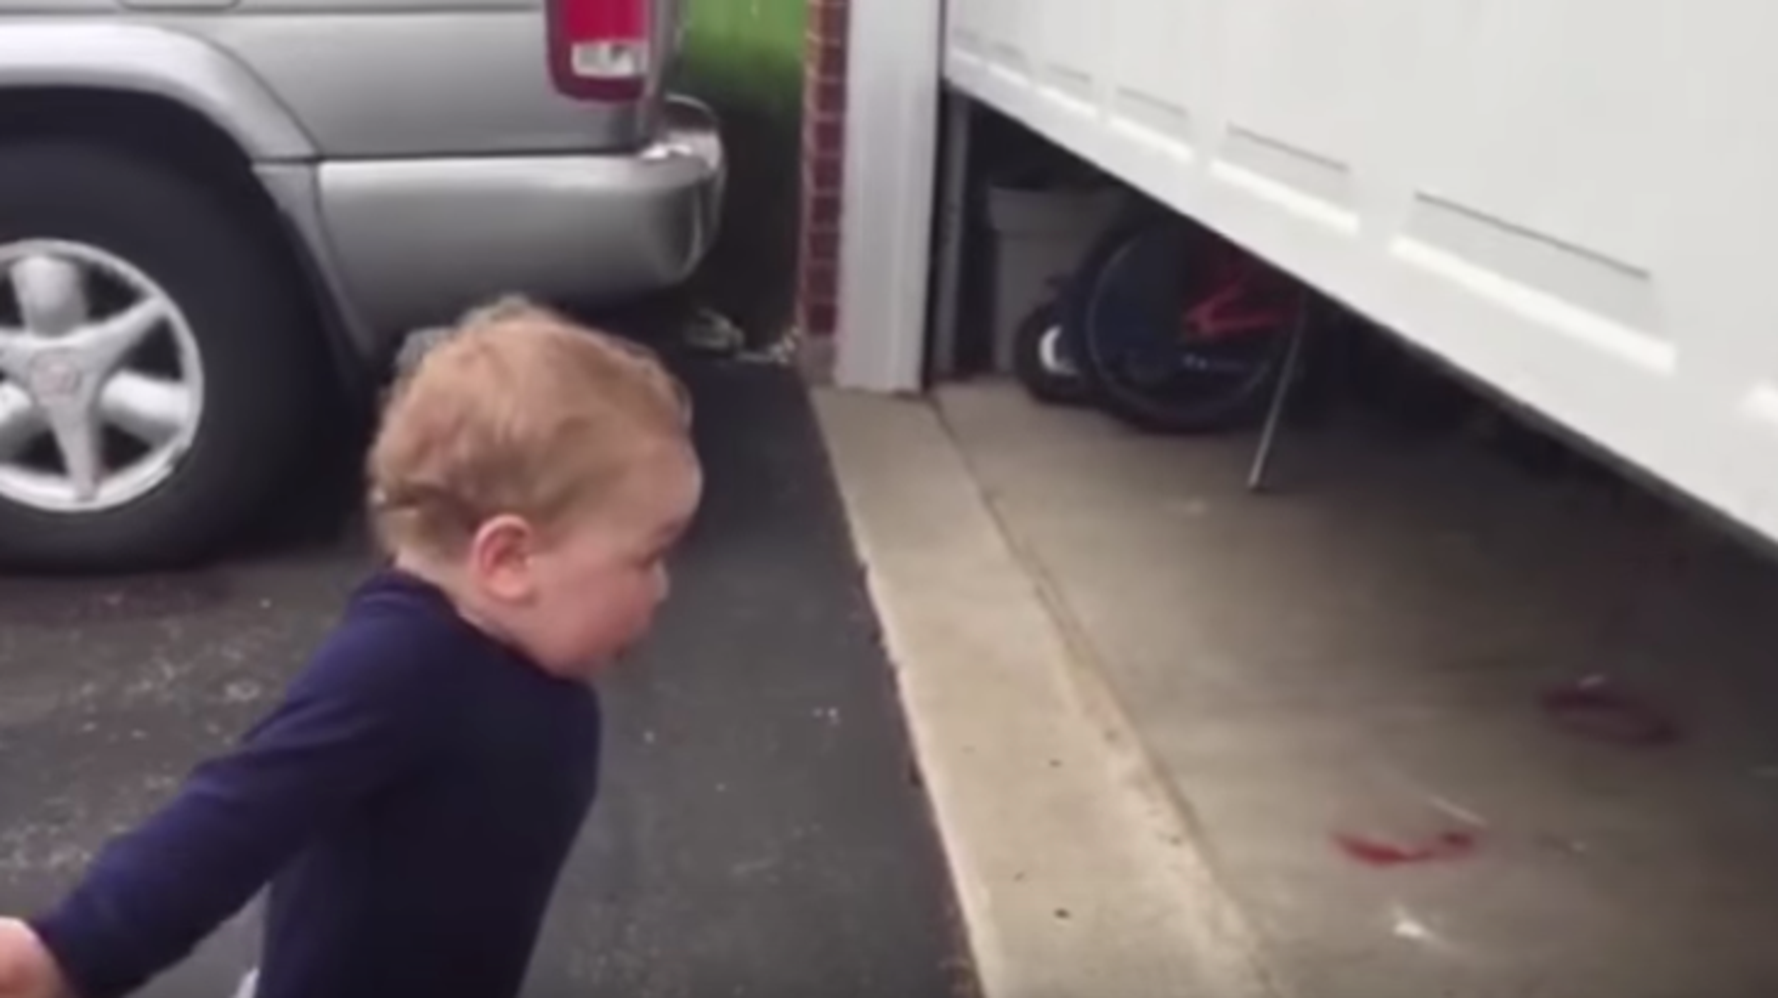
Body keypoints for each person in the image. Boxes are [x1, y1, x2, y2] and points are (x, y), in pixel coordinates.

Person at [0, 299, 702, 998]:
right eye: (648, 557)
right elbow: (239, 809)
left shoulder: (513, 643)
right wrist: (70, 952)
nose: (663, 588)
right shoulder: (401, 667)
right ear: (509, 560)